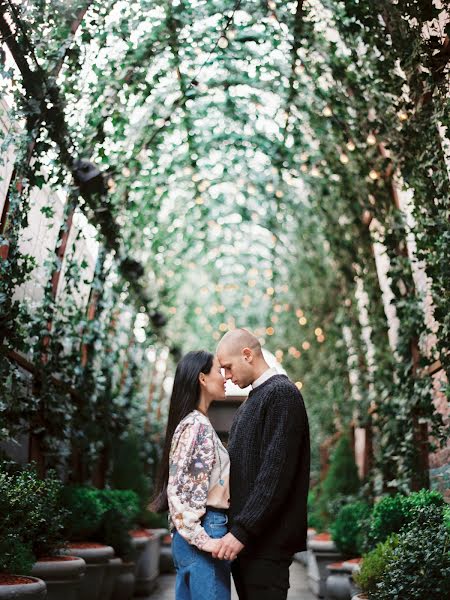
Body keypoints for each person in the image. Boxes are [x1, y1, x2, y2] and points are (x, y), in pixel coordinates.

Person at [215, 328, 310, 600]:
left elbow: (275, 476)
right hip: (247, 545)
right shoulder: (249, 403)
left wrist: (241, 532)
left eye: (228, 368)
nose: (227, 377)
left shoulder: (282, 394)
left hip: (266, 547)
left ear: (247, 355)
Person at [151, 350, 231, 600]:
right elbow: (180, 491)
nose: (225, 377)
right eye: (219, 371)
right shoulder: (196, 426)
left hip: (193, 536)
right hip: (204, 531)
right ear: (202, 379)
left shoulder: (192, 423)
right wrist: (205, 540)